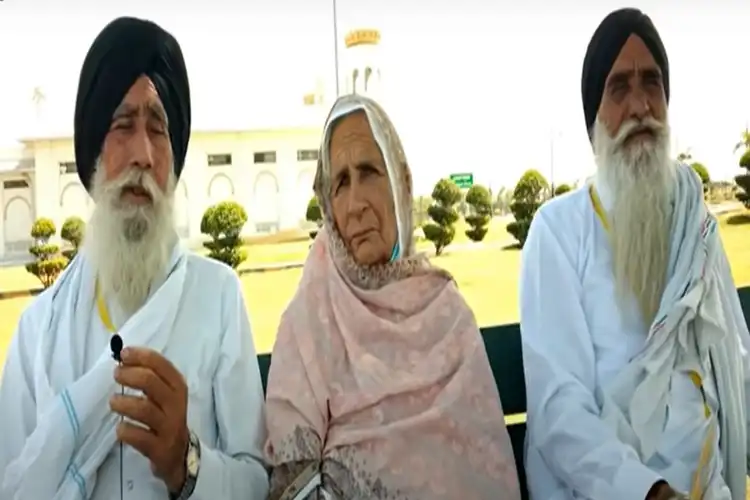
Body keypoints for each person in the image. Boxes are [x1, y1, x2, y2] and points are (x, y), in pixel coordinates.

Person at [0, 17, 269, 500]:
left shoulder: (218, 297)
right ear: (93, 154)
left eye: (158, 128)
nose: (143, 153)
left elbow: (256, 480)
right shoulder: (38, 332)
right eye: (123, 126)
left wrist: (186, 463)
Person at [520, 7, 750, 500]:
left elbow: (737, 361)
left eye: (652, 83)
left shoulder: (696, 224)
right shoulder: (558, 231)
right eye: (618, 88)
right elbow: (559, 407)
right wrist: (648, 491)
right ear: (594, 117)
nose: (640, 105)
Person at [263, 94, 521, 500]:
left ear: (401, 182)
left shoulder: (447, 312)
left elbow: (484, 465)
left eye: (368, 172)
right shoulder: (309, 322)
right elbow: (292, 482)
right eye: (340, 183)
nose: (355, 204)